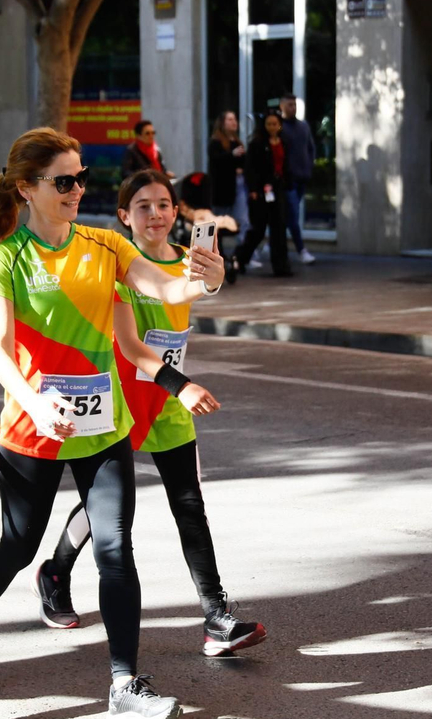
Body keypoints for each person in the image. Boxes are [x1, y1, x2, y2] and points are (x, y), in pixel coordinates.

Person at [0, 127, 227, 719]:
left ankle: (125, 684)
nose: (77, 189)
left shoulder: (105, 245)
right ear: (26, 189)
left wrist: (205, 279)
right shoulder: (5, 260)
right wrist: (34, 403)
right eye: (63, 181)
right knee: (19, 545)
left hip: (104, 428)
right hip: (33, 429)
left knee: (114, 547)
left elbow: (165, 285)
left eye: (81, 178)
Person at [34, 170, 266, 656]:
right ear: (124, 216)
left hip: (169, 399)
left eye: (163, 204)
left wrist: (214, 279)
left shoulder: (186, 260)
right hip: (125, 397)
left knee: (190, 505)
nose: (155, 214)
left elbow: (196, 290)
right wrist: (181, 384)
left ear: (177, 212)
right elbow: (129, 345)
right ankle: (55, 571)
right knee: (107, 509)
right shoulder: (116, 266)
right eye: (143, 206)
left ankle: (217, 617)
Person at [231, 111, 291, 277]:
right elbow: (251, 169)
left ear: (280, 125)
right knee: (258, 229)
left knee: (279, 228)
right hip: (260, 191)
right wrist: (253, 190)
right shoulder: (257, 144)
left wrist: (287, 181)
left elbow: (286, 165)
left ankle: (281, 266)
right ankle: (240, 259)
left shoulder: (284, 142)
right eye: (269, 124)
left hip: (278, 189)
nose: (272, 127)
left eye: (275, 124)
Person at [277, 92, 317, 265]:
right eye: (289, 105)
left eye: (294, 105)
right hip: (288, 180)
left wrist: (309, 166)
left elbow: (310, 148)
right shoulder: (279, 128)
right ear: (282, 106)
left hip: (302, 177)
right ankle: (301, 249)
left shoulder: (303, 126)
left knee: (288, 215)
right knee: (293, 215)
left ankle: (273, 243)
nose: (293, 108)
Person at [206, 111, 249, 240]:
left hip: (237, 184)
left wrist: (241, 167)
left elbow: (243, 162)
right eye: (230, 119)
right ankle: (216, 248)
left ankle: (242, 248)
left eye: (235, 119)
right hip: (221, 188)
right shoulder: (215, 142)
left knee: (242, 219)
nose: (234, 122)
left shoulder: (237, 142)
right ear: (223, 123)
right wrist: (232, 155)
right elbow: (216, 161)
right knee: (218, 222)